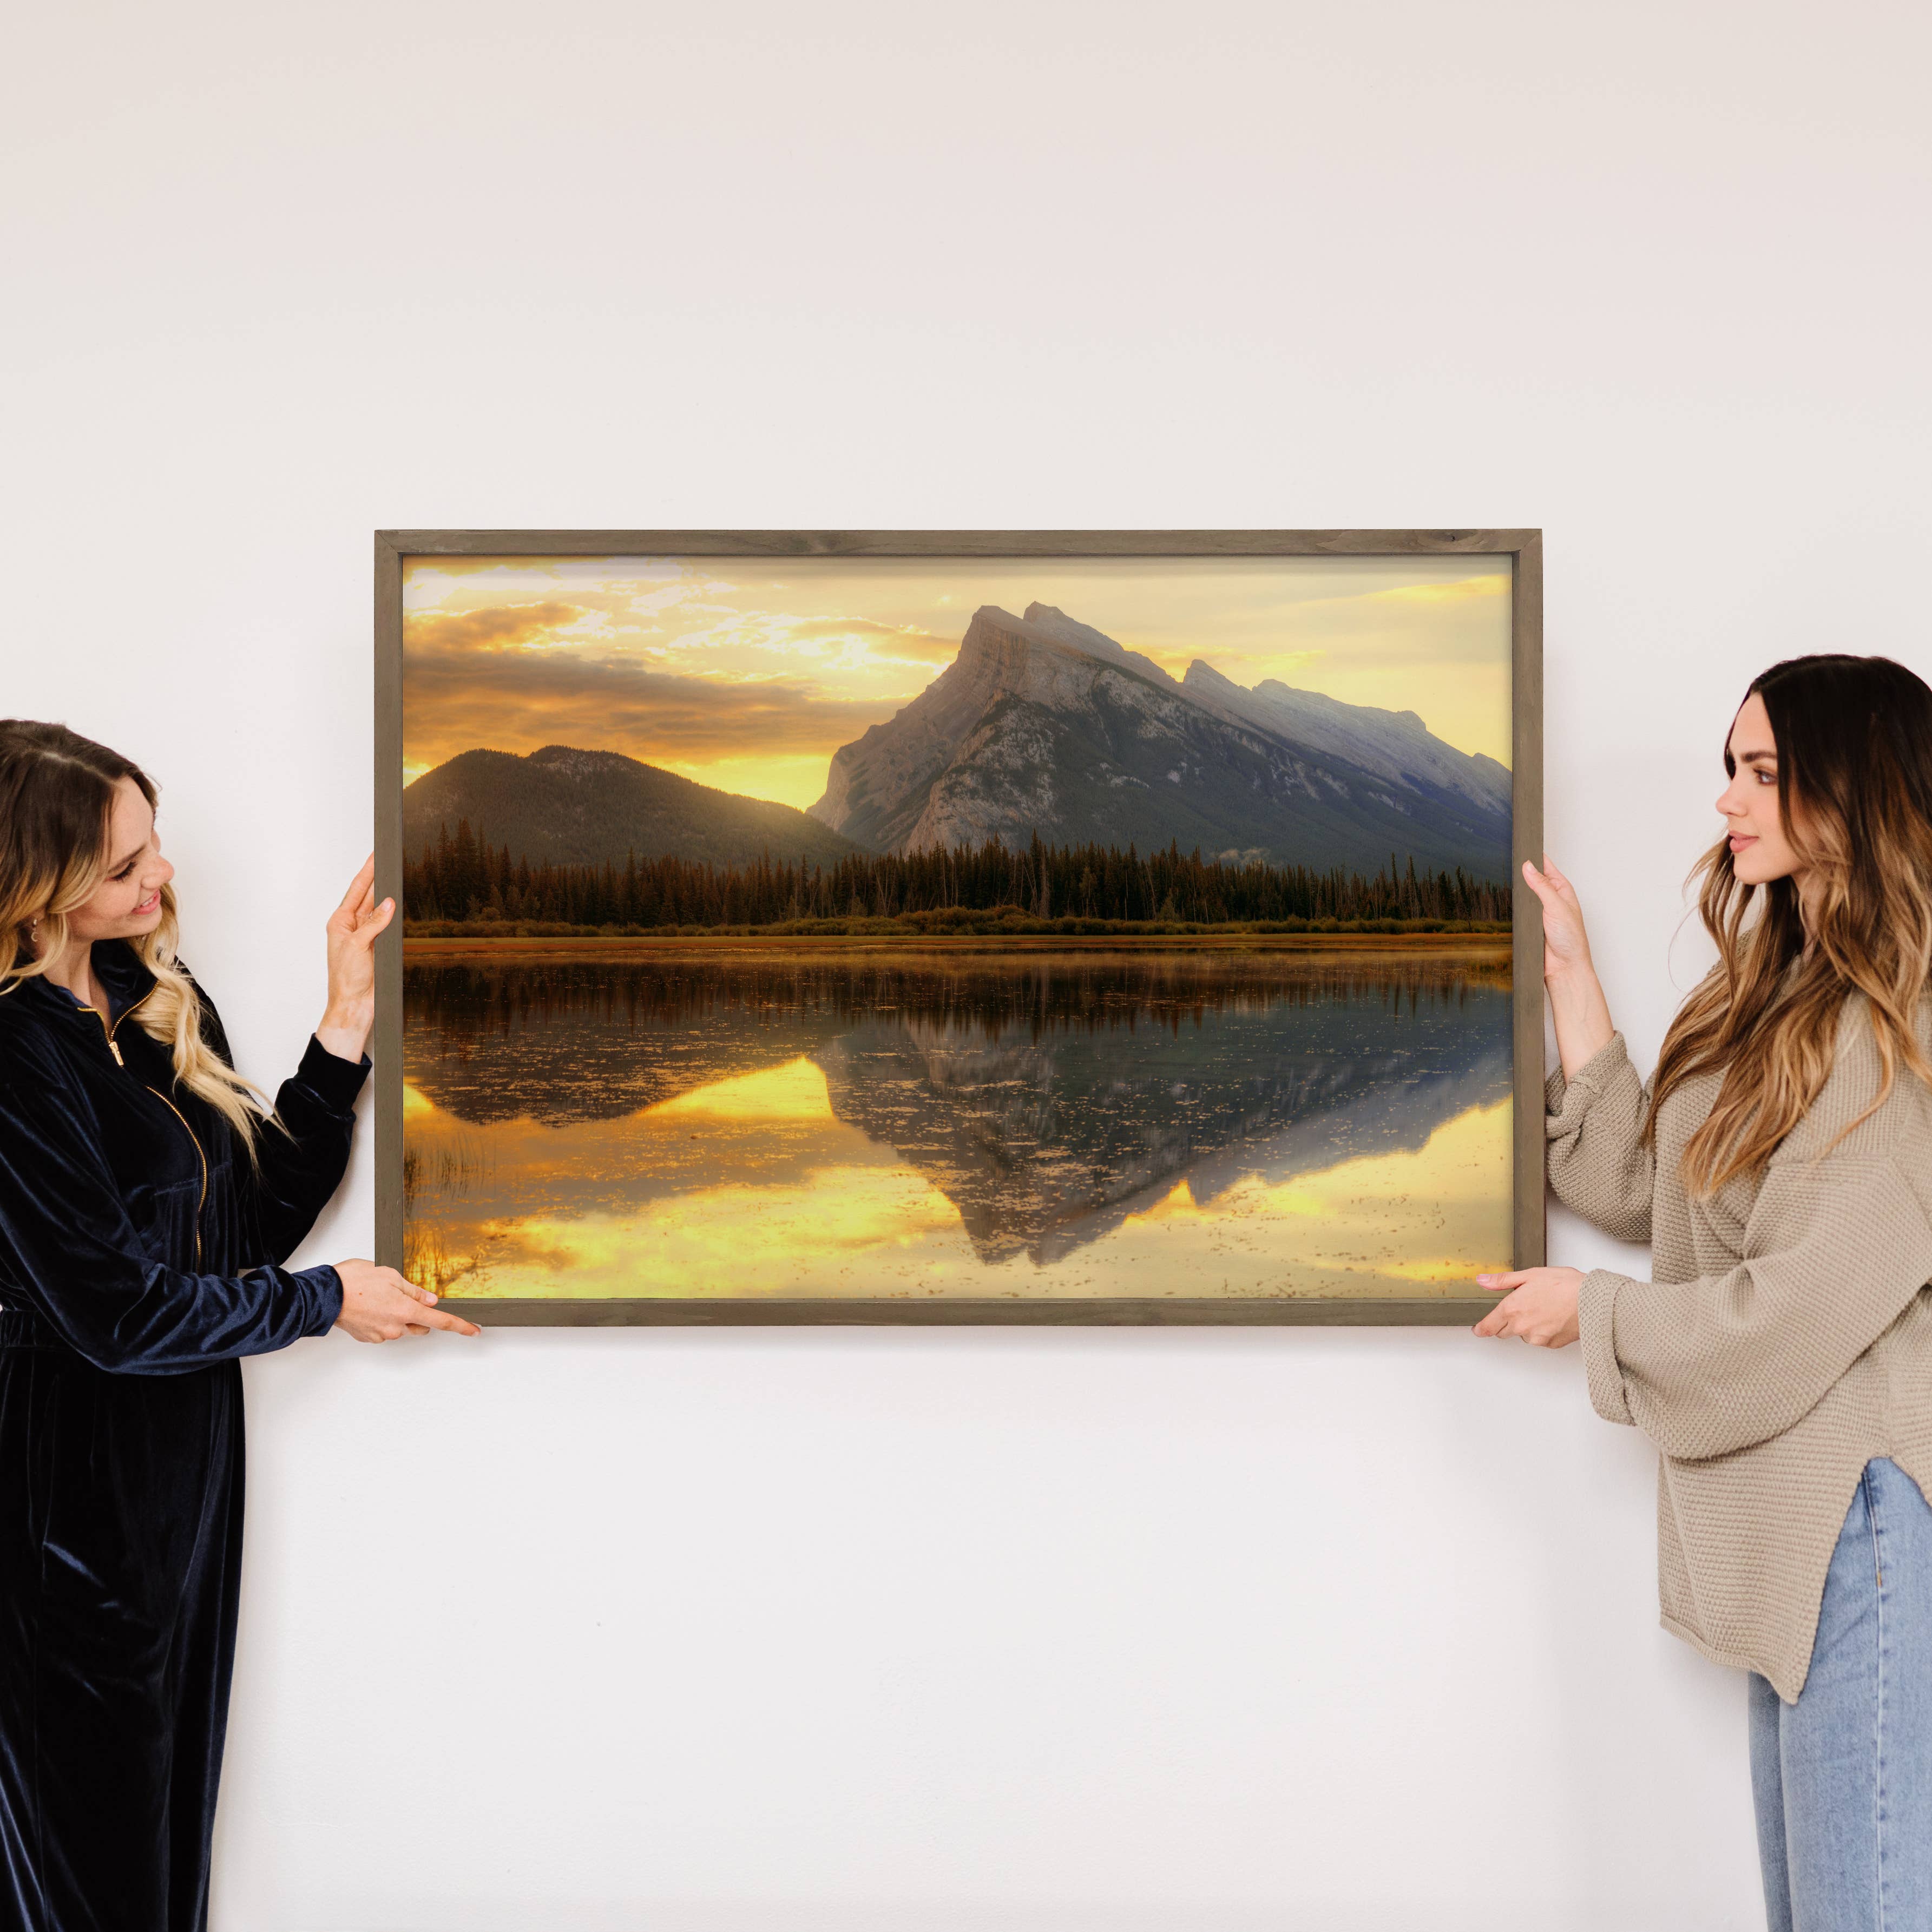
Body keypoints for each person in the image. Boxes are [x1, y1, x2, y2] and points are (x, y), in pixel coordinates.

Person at [1474, 655, 1932, 1930]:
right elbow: (1651, 1188)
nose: (1731, 801)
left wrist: (1594, 1316)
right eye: (1730, 770)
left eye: (1765, 773)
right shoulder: (1775, 993)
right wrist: (1571, 976)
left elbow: (1795, 1312)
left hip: (1865, 1536)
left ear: (1857, 790)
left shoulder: (1906, 1030)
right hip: (1797, 1539)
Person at [0, 720, 479, 1932]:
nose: (161, 879)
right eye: (124, 867)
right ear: (34, 884)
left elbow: (246, 1225)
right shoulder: (11, 1055)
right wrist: (328, 1303)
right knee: (86, 1872)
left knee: (160, 1849)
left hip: (179, 1484)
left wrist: (346, 1022)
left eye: (154, 845)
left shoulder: (149, 995)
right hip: (55, 1503)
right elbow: (113, 1315)